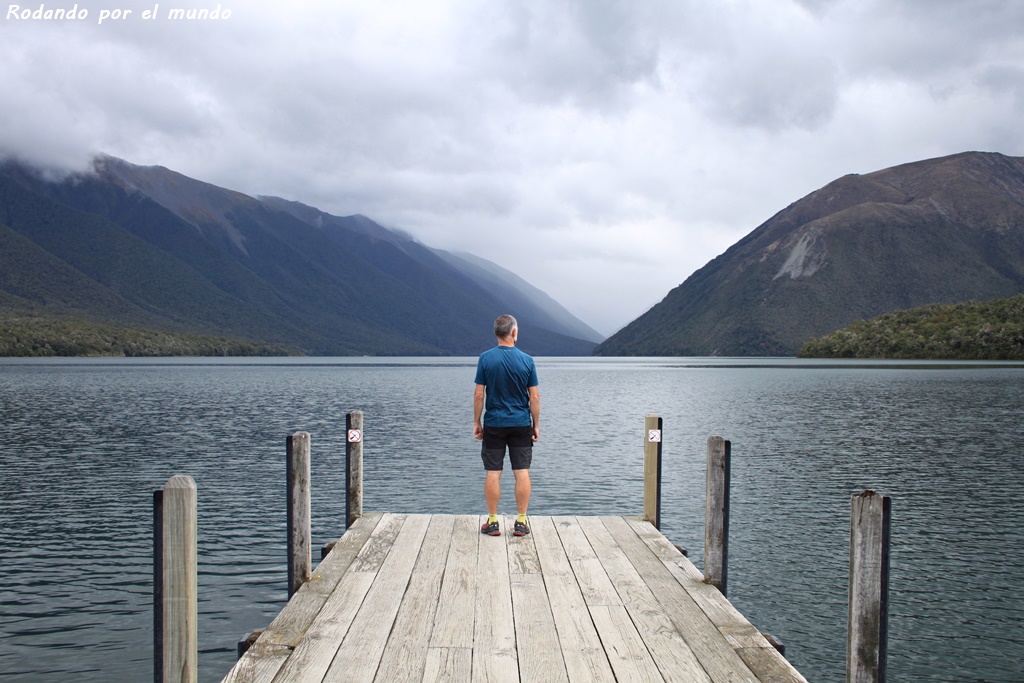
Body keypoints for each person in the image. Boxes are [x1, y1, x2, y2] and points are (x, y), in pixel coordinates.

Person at [473, 314, 539, 537]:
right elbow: (535, 397)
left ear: (496, 333)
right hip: (521, 423)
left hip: (494, 423)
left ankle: (492, 522)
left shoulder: (485, 358)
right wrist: (536, 425)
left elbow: (479, 394)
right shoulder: (527, 360)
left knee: (493, 472)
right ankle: (521, 522)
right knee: (522, 472)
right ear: (514, 332)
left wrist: (477, 421)